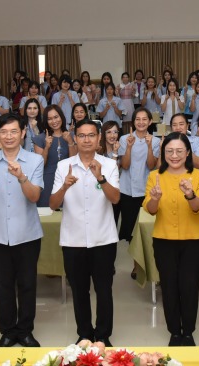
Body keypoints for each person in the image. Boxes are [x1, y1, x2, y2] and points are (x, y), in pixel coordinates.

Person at [0, 114, 44, 348]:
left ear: (23, 133)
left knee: (27, 284)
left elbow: (35, 197)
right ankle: (7, 331)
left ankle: (25, 330)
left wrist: (22, 177)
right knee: (3, 285)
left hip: (27, 234)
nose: (8, 136)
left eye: (14, 131)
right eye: (3, 131)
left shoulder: (34, 161)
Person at [49, 120, 120, 346]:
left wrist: (101, 178)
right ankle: (84, 334)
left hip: (103, 238)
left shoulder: (108, 165)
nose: (86, 140)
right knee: (79, 291)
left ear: (99, 139)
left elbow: (115, 198)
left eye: (91, 135)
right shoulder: (64, 167)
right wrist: (64, 187)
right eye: (81, 136)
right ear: (75, 139)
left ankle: (103, 335)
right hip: (73, 240)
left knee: (104, 290)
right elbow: (52, 204)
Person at [143, 132, 199, 346]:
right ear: (163, 153)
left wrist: (190, 194)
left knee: (190, 287)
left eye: (179, 151)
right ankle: (174, 331)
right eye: (169, 151)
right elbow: (150, 210)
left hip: (194, 241)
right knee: (169, 287)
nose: (174, 155)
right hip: (164, 240)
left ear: (188, 153)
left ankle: (188, 331)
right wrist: (154, 199)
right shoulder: (155, 176)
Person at [118, 107, 160, 248]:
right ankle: (135, 265)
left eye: (144, 119)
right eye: (137, 119)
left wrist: (149, 147)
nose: (141, 122)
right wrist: (129, 147)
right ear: (133, 122)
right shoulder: (124, 139)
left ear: (150, 122)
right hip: (127, 189)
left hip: (146, 189)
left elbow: (151, 165)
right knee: (130, 228)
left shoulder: (155, 141)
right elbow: (124, 165)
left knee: (144, 226)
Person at [33, 105, 77, 207]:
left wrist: (70, 142)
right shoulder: (40, 139)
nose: (54, 121)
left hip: (67, 180)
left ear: (61, 117)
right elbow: (40, 165)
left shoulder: (71, 136)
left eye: (56, 117)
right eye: (49, 119)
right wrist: (47, 147)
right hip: (47, 181)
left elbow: (74, 162)